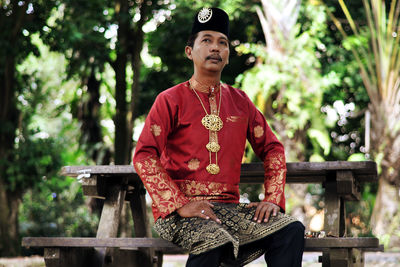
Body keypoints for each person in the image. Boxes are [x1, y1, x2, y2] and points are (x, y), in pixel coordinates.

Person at [133, 7, 304, 267]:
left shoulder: (241, 102)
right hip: (178, 214)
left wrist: (272, 199)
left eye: (222, 43)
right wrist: (180, 204)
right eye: (207, 40)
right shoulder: (169, 100)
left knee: (291, 230)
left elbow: (272, 149)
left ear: (227, 56)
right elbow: (145, 156)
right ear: (190, 51)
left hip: (231, 210)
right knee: (214, 237)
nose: (215, 48)